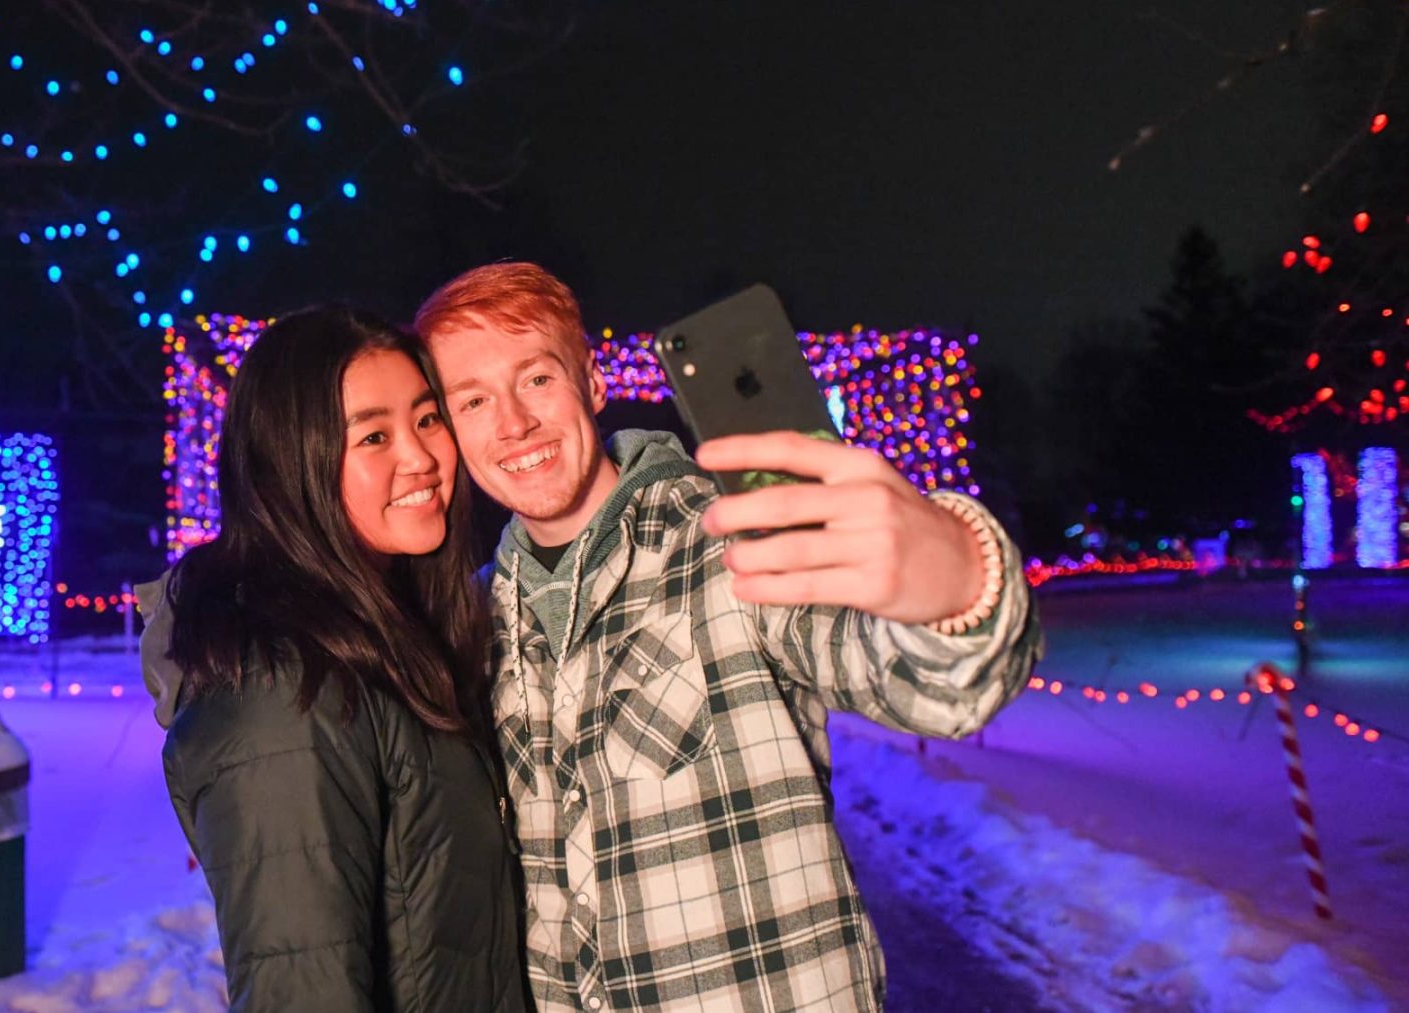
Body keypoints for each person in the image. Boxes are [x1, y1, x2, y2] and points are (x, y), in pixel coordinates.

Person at [412, 263, 1044, 1012]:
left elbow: (926, 684)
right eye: (474, 400)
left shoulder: (731, 540)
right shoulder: (476, 617)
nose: (512, 423)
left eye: (537, 379)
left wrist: (958, 578)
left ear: (590, 380)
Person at [135, 307, 529, 1012]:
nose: (422, 457)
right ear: (292, 463)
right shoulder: (285, 691)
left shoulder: (389, 639)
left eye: (428, 418)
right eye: (374, 435)